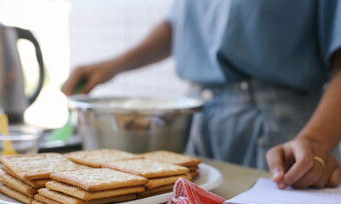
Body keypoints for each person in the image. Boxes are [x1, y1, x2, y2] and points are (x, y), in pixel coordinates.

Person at [62, 0, 341, 189]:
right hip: (199, 124)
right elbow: (179, 23)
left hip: (282, 136)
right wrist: (115, 65)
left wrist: (315, 139)